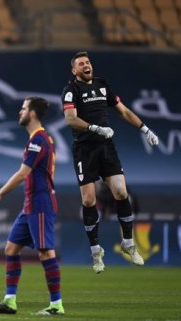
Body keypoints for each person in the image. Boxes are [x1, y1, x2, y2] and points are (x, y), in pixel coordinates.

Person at [61, 51, 158, 273]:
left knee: (121, 192)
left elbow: (123, 111)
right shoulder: (71, 90)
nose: (86, 65)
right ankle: (96, 251)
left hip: (106, 147)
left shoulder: (103, 85)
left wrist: (145, 129)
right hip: (85, 149)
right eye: (81, 64)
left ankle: (128, 243)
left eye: (88, 62)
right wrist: (95, 128)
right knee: (88, 200)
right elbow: (70, 119)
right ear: (74, 70)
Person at [0, 97, 64, 315]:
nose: (20, 112)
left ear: (32, 113)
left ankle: (56, 305)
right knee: (11, 248)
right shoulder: (38, 138)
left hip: (40, 203)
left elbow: (23, 173)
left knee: (45, 253)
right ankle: (10, 301)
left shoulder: (38, 139)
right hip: (30, 204)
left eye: (23, 108)